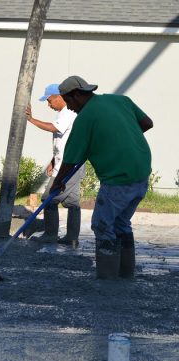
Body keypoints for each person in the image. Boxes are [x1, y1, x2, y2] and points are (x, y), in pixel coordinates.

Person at [50, 76, 153, 279]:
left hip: (118, 178)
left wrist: (57, 182)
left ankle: (107, 279)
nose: (69, 108)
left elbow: (70, 161)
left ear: (77, 95)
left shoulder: (85, 118)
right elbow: (147, 123)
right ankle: (125, 274)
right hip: (141, 171)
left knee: (103, 225)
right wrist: (119, 135)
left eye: (69, 101)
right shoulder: (121, 100)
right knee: (121, 223)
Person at [26, 83, 86, 246]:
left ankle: (50, 234)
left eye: (50, 100)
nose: (49, 104)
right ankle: (72, 237)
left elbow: (54, 128)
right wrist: (54, 160)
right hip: (70, 163)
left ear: (59, 97)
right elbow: (65, 141)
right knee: (71, 202)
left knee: (48, 199)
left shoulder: (68, 112)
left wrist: (31, 120)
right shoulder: (65, 113)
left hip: (69, 166)